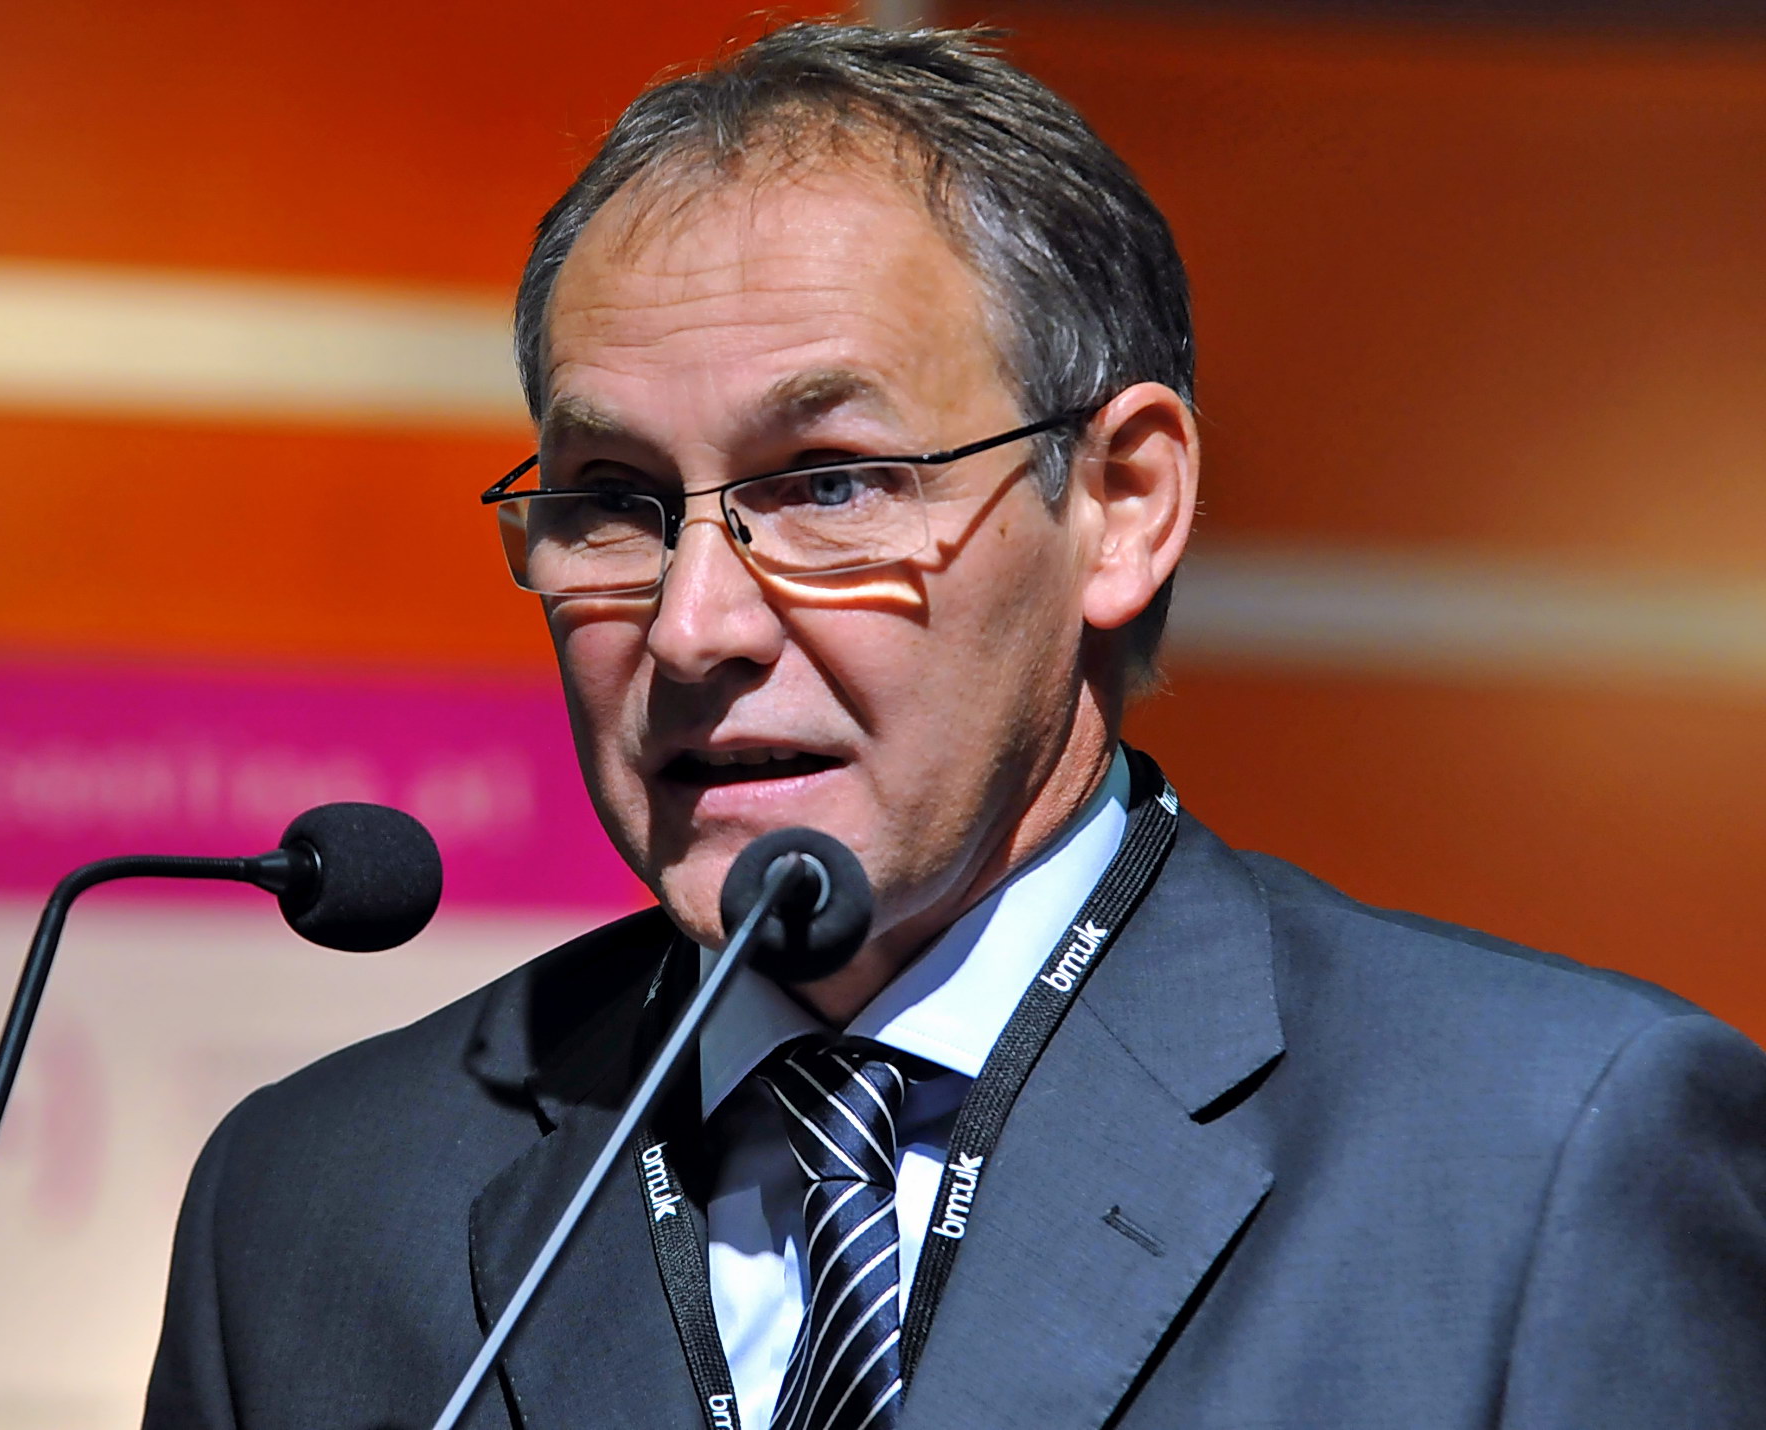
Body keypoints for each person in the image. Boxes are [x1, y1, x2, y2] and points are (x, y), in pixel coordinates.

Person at [144, 23, 1766, 1430]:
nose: (695, 625)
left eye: (831, 483)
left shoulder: (1545, 1155)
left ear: (1121, 506)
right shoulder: (313, 1206)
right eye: (614, 501)